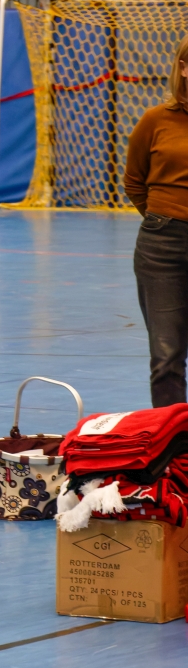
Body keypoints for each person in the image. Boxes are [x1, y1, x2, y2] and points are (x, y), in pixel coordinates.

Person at [125, 35, 188, 408]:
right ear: (183, 68)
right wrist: (163, 216)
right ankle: (176, 441)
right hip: (162, 247)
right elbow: (134, 180)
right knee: (166, 358)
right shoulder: (155, 120)